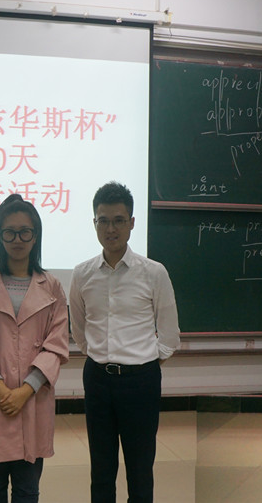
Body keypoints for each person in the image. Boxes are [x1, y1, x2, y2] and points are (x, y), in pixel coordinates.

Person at [69, 182, 180, 503]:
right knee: (101, 470)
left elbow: (169, 335)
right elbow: (79, 330)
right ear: (94, 223)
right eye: (103, 221)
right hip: (97, 379)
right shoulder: (82, 274)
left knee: (140, 470)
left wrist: (142, 362)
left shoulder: (154, 273)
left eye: (118, 220)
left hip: (141, 382)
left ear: (132, 223)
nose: (110, 229)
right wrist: (101, 356)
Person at [0, 194, 70, 503]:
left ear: (35, 235)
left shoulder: (51, 286)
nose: (17, 239)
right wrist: (1, 390)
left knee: (28, 489)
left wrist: (25, 391)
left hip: (32, 400)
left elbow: (56, 345)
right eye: (9, 232)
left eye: (25, 232)